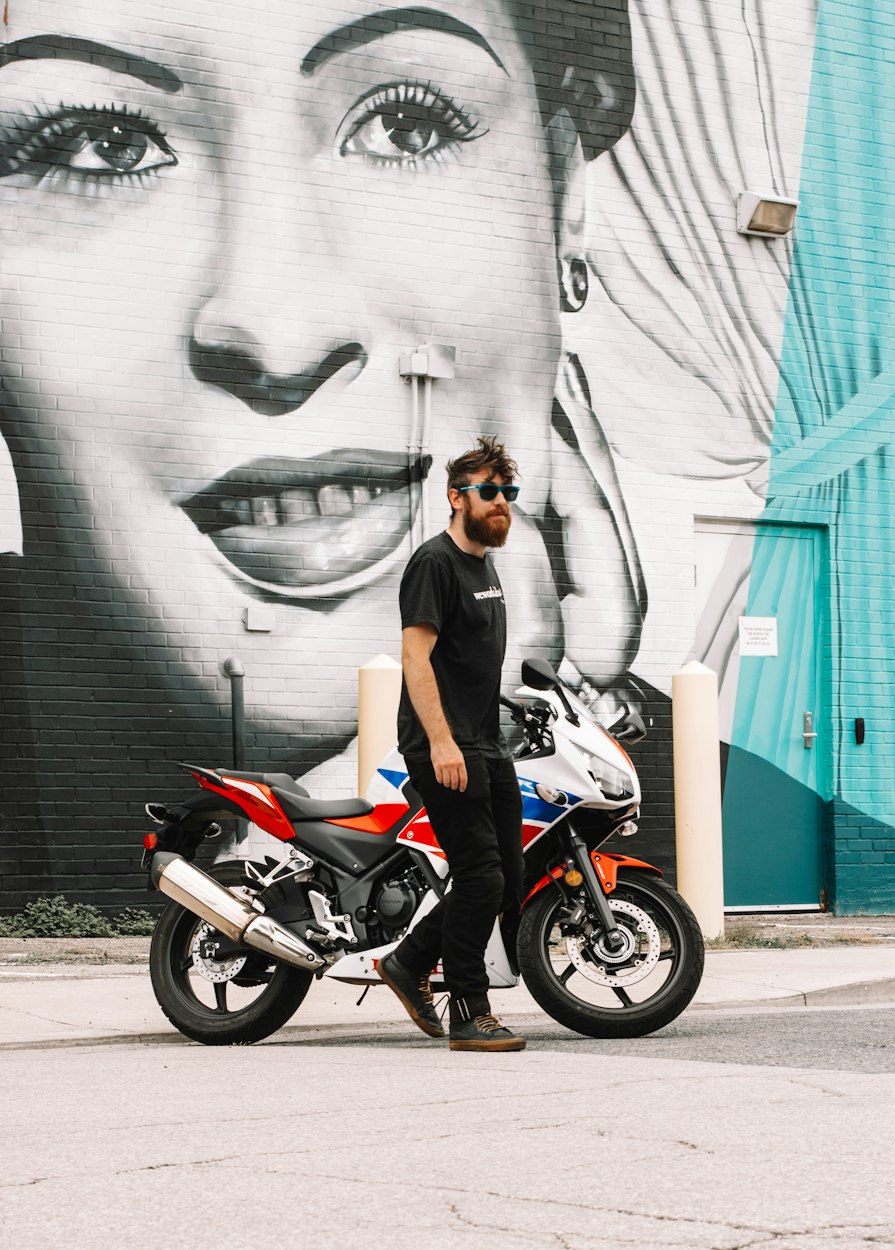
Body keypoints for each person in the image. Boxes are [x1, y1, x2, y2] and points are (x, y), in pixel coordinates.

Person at [0, 0, 646, 905]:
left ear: (563, 201)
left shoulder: (692, 779)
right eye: (101, 144)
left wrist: (559, 701)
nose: (280, 335)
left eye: (405, 124)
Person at [379, 435, 526, 1052]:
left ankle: (409, 961)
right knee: (479, 875)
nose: (500, 503)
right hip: (444, 745)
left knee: (510, 875)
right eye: (487, 492)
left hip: (484, 743)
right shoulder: (433, 563)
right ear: (455, 498)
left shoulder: (484, 565)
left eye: (507, 493)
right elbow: (417, 659)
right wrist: (441, 743)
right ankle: (469, 1009)